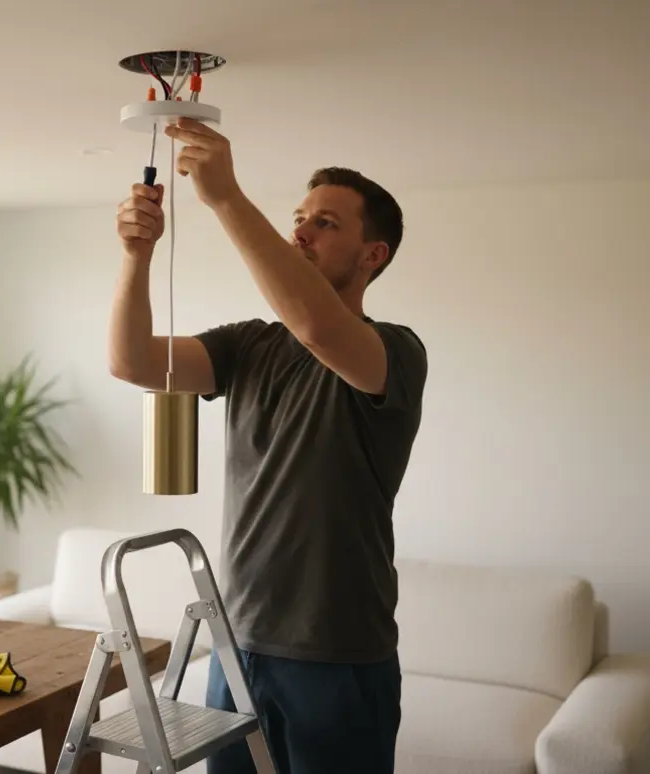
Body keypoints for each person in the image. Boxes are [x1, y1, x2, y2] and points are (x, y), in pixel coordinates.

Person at [108, 117, 427, 773]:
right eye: (299, 216)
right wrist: (136, 256)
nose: (301, 230)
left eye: (327, 224)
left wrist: (225, 197)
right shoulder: (248, 345)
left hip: (339, 653)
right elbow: (132, 360)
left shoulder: (395, 350)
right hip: (236, 643)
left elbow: (314, 323)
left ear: (374, 255)